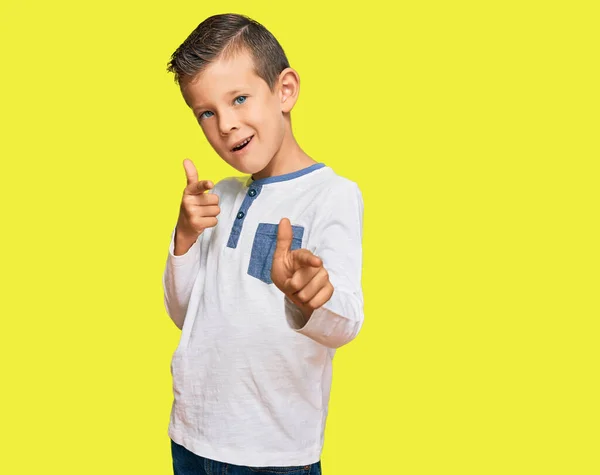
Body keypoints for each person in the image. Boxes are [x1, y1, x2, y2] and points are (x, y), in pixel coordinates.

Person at [163, 13, 365, 475]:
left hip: (272, 454)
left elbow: (346, 323)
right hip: (191, 435)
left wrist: (313, 298)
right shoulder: (219, 198)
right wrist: (185, 237)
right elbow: (183, 315)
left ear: (285, 90)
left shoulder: (331, 194)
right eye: (207, 113)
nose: (227, 124)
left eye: (239, 99)